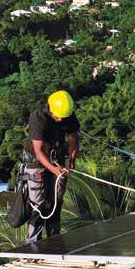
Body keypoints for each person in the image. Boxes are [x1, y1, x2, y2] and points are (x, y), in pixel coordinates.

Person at [23, 90, 80, 243]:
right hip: (36, 161)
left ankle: (54, 241)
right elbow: (39, 151)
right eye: (57, 116)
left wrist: (71, 160)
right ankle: (33, 243)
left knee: (56, 202)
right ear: (50, 108)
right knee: (38, 204)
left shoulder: (67, 114)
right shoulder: (38, 118)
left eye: (64, 117)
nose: (60, 119)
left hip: (57, 159)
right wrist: (54, 169)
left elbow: (73, 137)